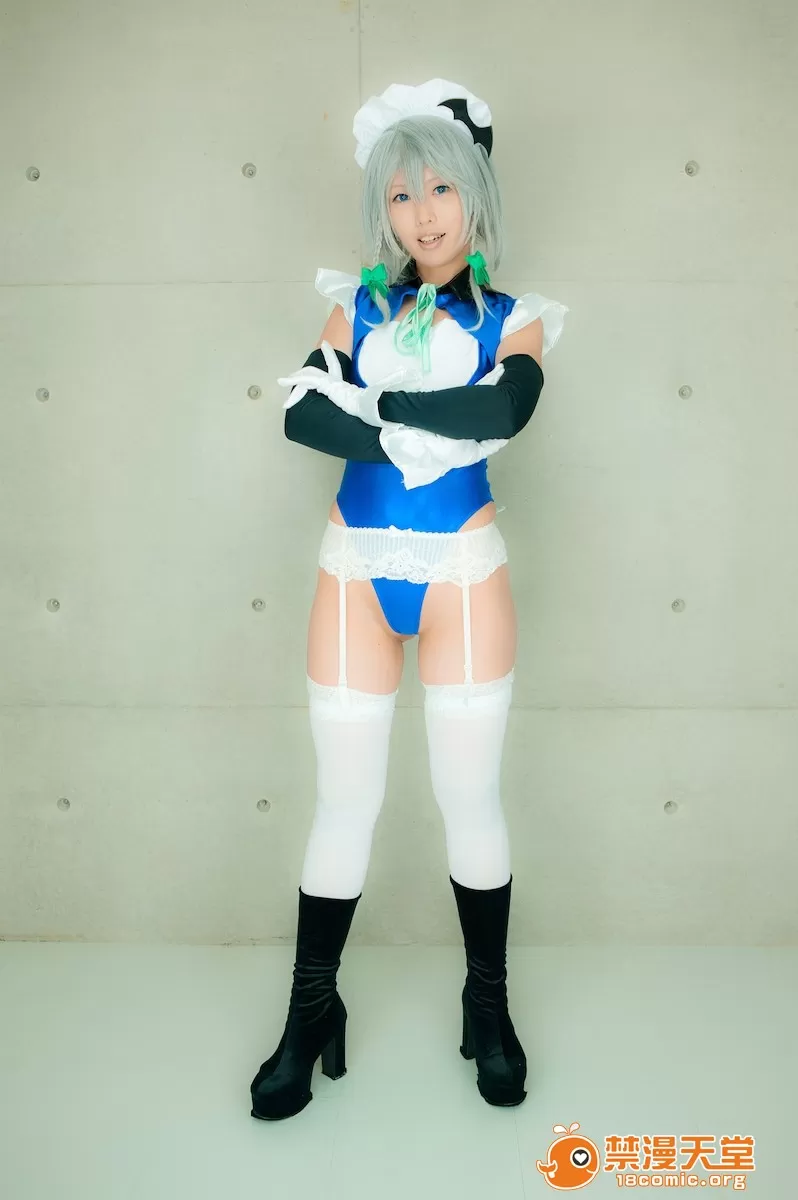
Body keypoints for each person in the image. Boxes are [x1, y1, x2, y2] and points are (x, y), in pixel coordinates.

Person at [250, 78, 568, 1121]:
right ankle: (310, 1015)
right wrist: (412, 425)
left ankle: (489, 1008)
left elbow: (504, 409)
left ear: (476, 192)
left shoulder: (517, 319)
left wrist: (373, 403)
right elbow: (303, 418)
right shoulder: (356, 306)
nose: (423, 214)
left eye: (440, 188)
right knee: (344, 801)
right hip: (353, 569)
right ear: (380, 209)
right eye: (400, 194)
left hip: (463, 579)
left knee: (469, 799)